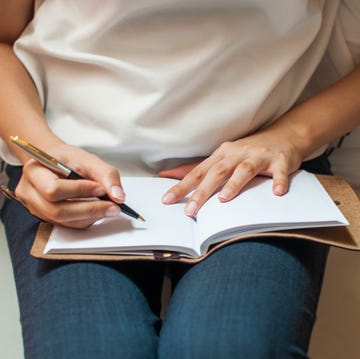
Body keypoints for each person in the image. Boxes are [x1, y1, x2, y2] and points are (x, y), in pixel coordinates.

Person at [0, 1, 359, 358]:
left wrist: (291, 137)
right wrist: (39, 150)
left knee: (229, 349)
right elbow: (3, 39)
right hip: (73, 170)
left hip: (261, 170)